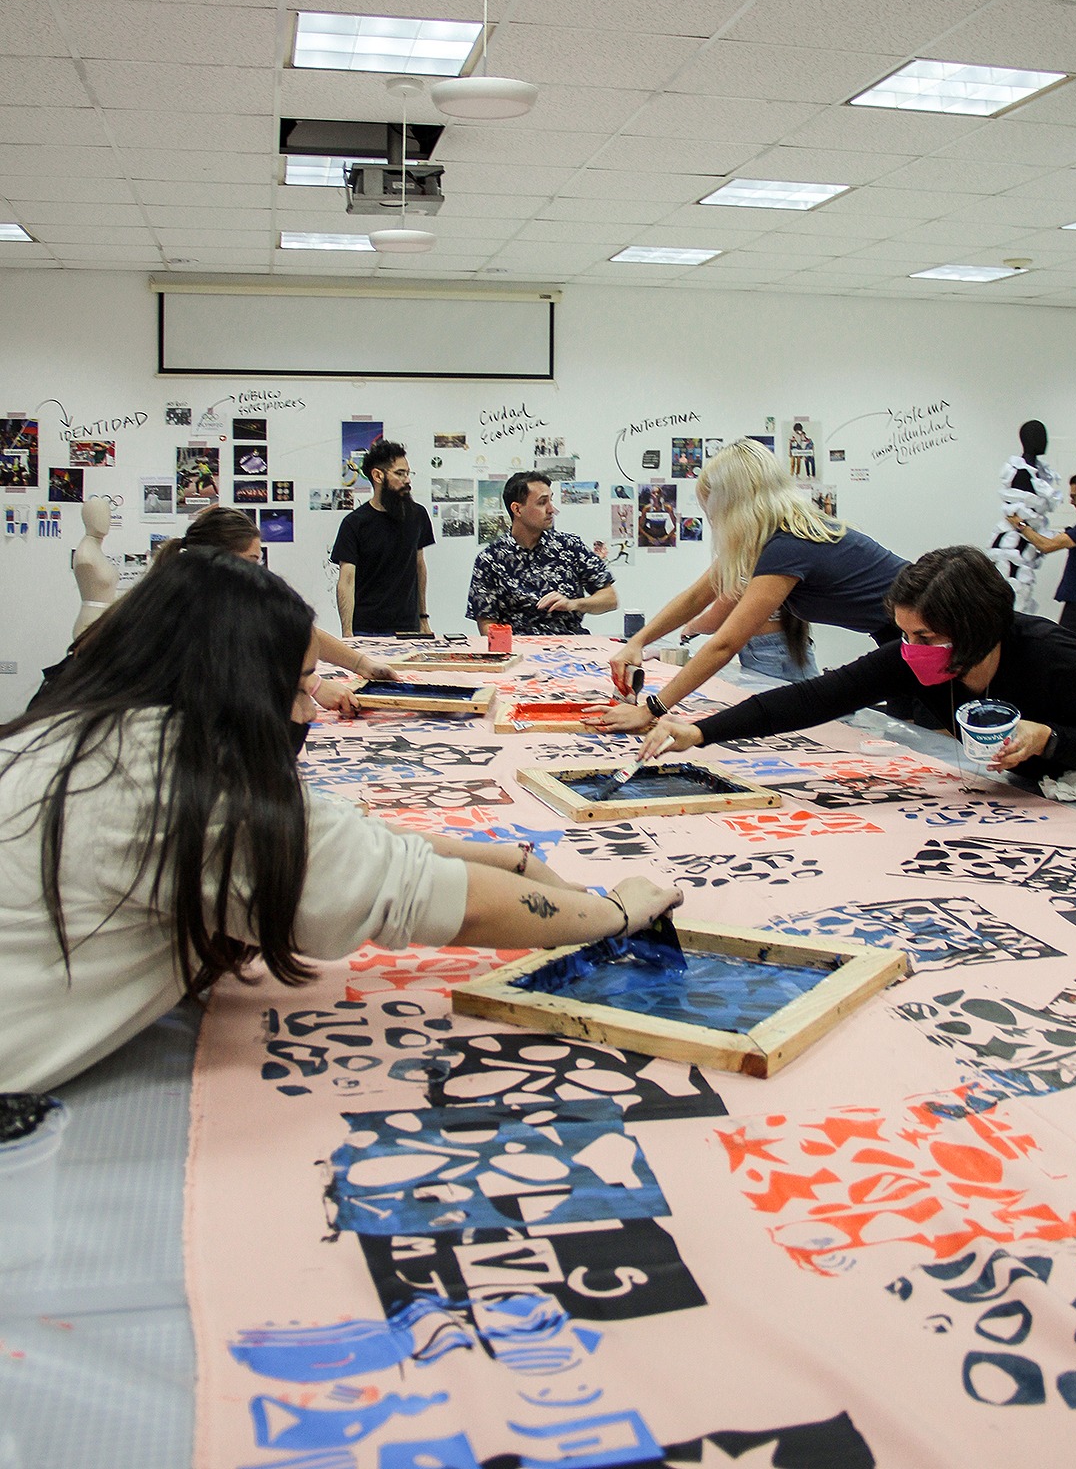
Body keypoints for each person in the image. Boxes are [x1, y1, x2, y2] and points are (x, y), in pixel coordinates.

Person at [0, 549, 680, 1092]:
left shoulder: (85, 736)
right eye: (300, 685)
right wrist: (615, 912)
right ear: (235, 680)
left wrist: (505, 857)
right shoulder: (184, 781)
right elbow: (436, 902)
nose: (310, 710)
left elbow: (338, 842)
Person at [637, 545, 1076, 817]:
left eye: (926, 636)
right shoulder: (912, 658)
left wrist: (1050, 738)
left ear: (975, 626)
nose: (911, 648)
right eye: (904, 634)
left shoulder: (1049, 654)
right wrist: (701, 732)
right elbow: (815, 697)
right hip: (1049, 791)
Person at [596, 438, 907, 729]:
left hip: (925, 626)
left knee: (918, 728)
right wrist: (637, 643)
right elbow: (695, 598)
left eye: (713, 513)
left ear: (734, 507)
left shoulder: (788, 544)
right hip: (894, 631)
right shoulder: (768, 540)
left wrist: (650, 710)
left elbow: (726, 643)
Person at [156, 506, 402, 714]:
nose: (257, 572)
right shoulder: (189, 604)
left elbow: (295, 630)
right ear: (219, 559)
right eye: (251, 561)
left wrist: (362, 664)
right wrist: (313, 685)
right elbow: (243, 664)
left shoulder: (230, 594)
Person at [466, 471, 617, 637]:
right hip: (518, 646)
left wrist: (573, 604)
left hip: (570, 643)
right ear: (517, 509)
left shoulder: (570, 547)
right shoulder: (490, 559)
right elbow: (487, 624)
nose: (552, 509)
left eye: (551, 500)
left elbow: (610, 599)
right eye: (542, 502)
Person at [331, 440, 434, 638]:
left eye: (408, 473)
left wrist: (423, 618)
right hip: (366, 629)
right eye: (400, 473)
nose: (407, 480)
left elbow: (419, 565)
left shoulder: (417, 515)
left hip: (408, 628)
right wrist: (347, 633)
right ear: (378, 475)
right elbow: (346, 580)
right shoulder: (354, 523)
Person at [1007, 473, 1076, 640]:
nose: (1071, 501)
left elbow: (1047, 546)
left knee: (1064, 643)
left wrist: (1021, 525)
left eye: (1074, 496)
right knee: (1065, 642)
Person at [987, 420, 1060, 613]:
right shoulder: (1019, 470)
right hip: (1013, 541)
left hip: (1025, 538)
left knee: (1021, 594)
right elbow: (1016, 509)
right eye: (1039, 436)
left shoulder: (1039, 471)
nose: (1044, 441)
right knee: (1012, 593)